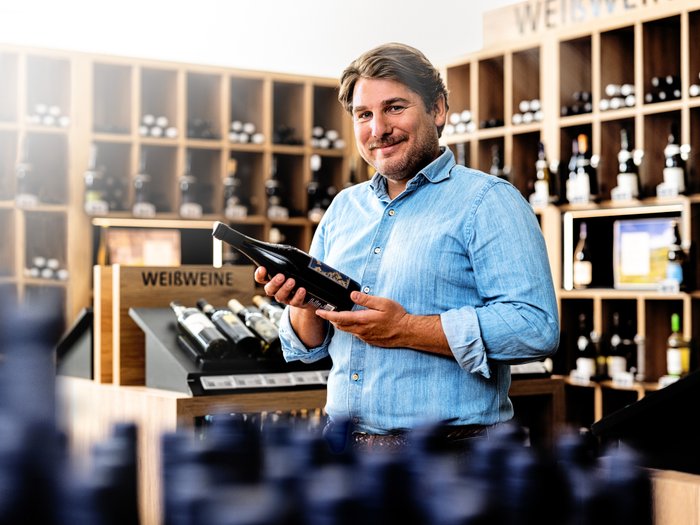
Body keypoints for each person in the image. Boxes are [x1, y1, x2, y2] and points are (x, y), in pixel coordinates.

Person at [255, 42, 559, 450]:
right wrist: (301, 303)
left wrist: (405, 329)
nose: (378, 129)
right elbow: (307, 348)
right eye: (364, 114)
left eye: (395, 108)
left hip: (453, 455)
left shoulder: (489, 201)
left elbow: (535, 328)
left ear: (438, 109)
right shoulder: (344, 208)